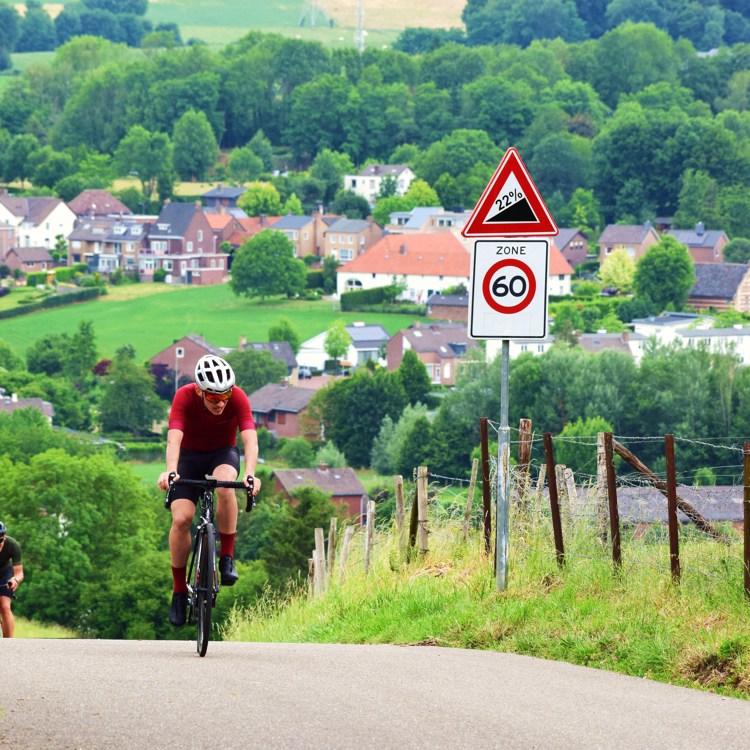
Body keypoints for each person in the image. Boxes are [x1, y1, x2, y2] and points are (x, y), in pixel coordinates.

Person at [157, 354, 261, 627]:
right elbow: (174, 438)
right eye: (214, 398)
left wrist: (250, 474)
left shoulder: (237, 398)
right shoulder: (184, 397)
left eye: (225, 395)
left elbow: (250, 440)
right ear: (200, 391)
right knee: (181, 520)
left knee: (226, 486)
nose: (221, 402)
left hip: (221, 454)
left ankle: (226, 556)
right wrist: (170, 470)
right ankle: (179, 591)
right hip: (188, 458)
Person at [0, 521, 24, 638]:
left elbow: (19, 573)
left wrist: (15, 580)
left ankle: (9, 642)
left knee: (4, 606)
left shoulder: (13, 545)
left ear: (4, 537)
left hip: (5, 572)